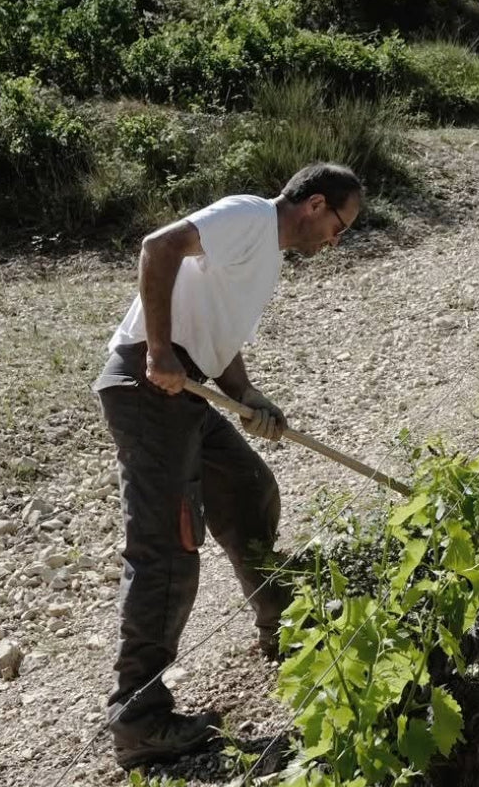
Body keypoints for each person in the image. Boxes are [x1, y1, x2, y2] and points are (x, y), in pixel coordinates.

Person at [93, 162, 362, 770]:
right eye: (340, 225)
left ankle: (280, 624)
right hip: (150, 385)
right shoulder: (248, 216)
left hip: (186, 386)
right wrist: (158, 351)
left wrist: (245, 393)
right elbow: (157, 247)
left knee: (246, 486)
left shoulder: (264, 252)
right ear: (315, 204)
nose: (335, 240)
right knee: (166, 550)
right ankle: (139, 720)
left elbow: (216, 330)